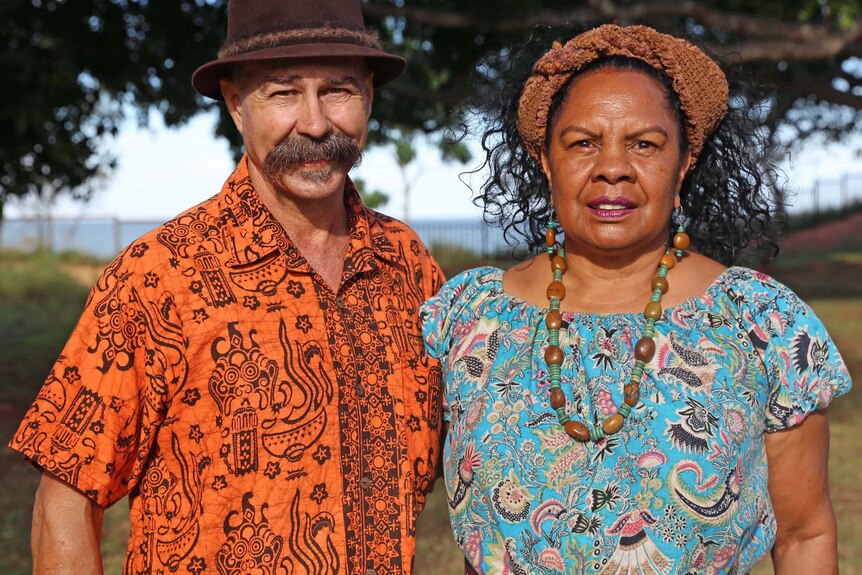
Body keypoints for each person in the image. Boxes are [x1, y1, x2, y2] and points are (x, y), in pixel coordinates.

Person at [9, 1, 444, 574]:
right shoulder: (160, 276)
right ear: (237, 105)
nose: (315, 124)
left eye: (338, 90)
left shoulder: (406, 264)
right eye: (283, 93)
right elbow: (65, 496)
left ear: (369, 96)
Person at [422, 24, 851, 575]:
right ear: (547, 162)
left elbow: (803, 532)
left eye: (644, 144)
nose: (612, 168)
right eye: (583, 143)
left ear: (684, 163)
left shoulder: (761, 324)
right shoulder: (470, 319)